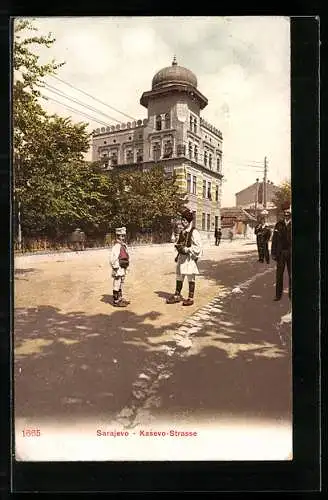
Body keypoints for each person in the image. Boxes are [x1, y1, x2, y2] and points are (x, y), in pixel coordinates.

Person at [166, 208, 202, 306]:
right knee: (179, 275)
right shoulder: (183, 231)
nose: (183, 222)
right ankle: (177, 295)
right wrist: (178, 247)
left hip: (189, 258)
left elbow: (198, 247)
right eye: (182, 220)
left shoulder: (194, 232)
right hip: (182, 257)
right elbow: (179, 242)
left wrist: (187, 249)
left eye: (185, 220)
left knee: (190, 277)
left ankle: (190, 298)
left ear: (189, 221)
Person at [271, 206, 292, 301]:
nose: (286, 214)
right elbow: (274, 240)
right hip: (281, 253)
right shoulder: (278, 224)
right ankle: (278, 295)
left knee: (292, 275)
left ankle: (292, 295)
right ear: (283, 213)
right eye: (285, 212)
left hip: (291, 252)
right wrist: (273, 253)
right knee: (279, 275)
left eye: (288, 212)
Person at [110, 226, 130, 307]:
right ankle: (116, 300)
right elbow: (113, 258)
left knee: (121, 282)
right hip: (118, 267)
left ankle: (120, 298)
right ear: (117, 236)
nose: (123, 237)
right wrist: (115, 268)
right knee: (117, 283)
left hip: (123, 266)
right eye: (121, 236)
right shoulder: (116, 246)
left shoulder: (123, 245)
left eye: (124, 236)